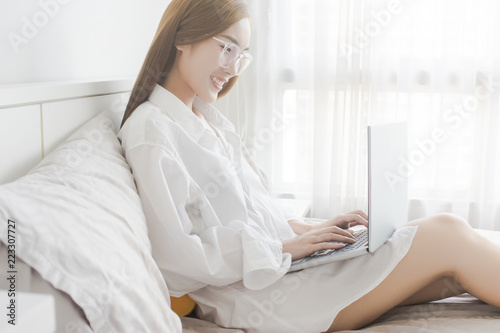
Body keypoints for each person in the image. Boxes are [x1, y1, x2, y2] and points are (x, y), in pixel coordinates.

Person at [118, 0, 500, 331]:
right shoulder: (152, 132)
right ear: (182, 38)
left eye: (242, 56)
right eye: (226, 49)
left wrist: (311, 230)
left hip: (286, 271)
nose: (233, 69)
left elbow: (249, 215)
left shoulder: (207, 120)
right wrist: (288, 246)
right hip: (270, 296)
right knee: (448, 234)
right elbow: (177, 259)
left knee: (449, 262)